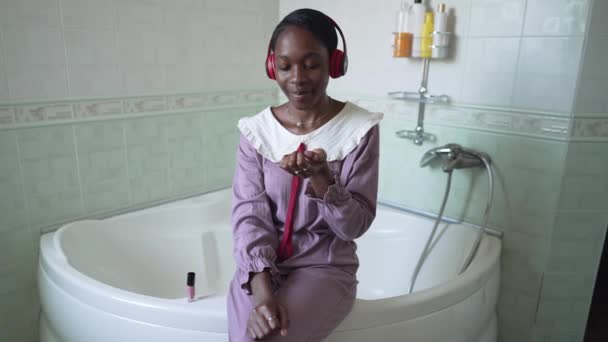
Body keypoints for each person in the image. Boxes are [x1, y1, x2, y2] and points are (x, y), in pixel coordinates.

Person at [227, 8, 383, 342]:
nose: (297, 78)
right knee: (246, 337)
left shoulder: (358, 129)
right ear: (273, 67)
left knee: (271, 338)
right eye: (285, 65)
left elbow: (353, 227)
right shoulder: (257, 132)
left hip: (324, 268)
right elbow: (249, 216)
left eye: (311, 64)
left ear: (334, 63)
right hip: (259, 270)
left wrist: (323, 179)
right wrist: (262, 290)